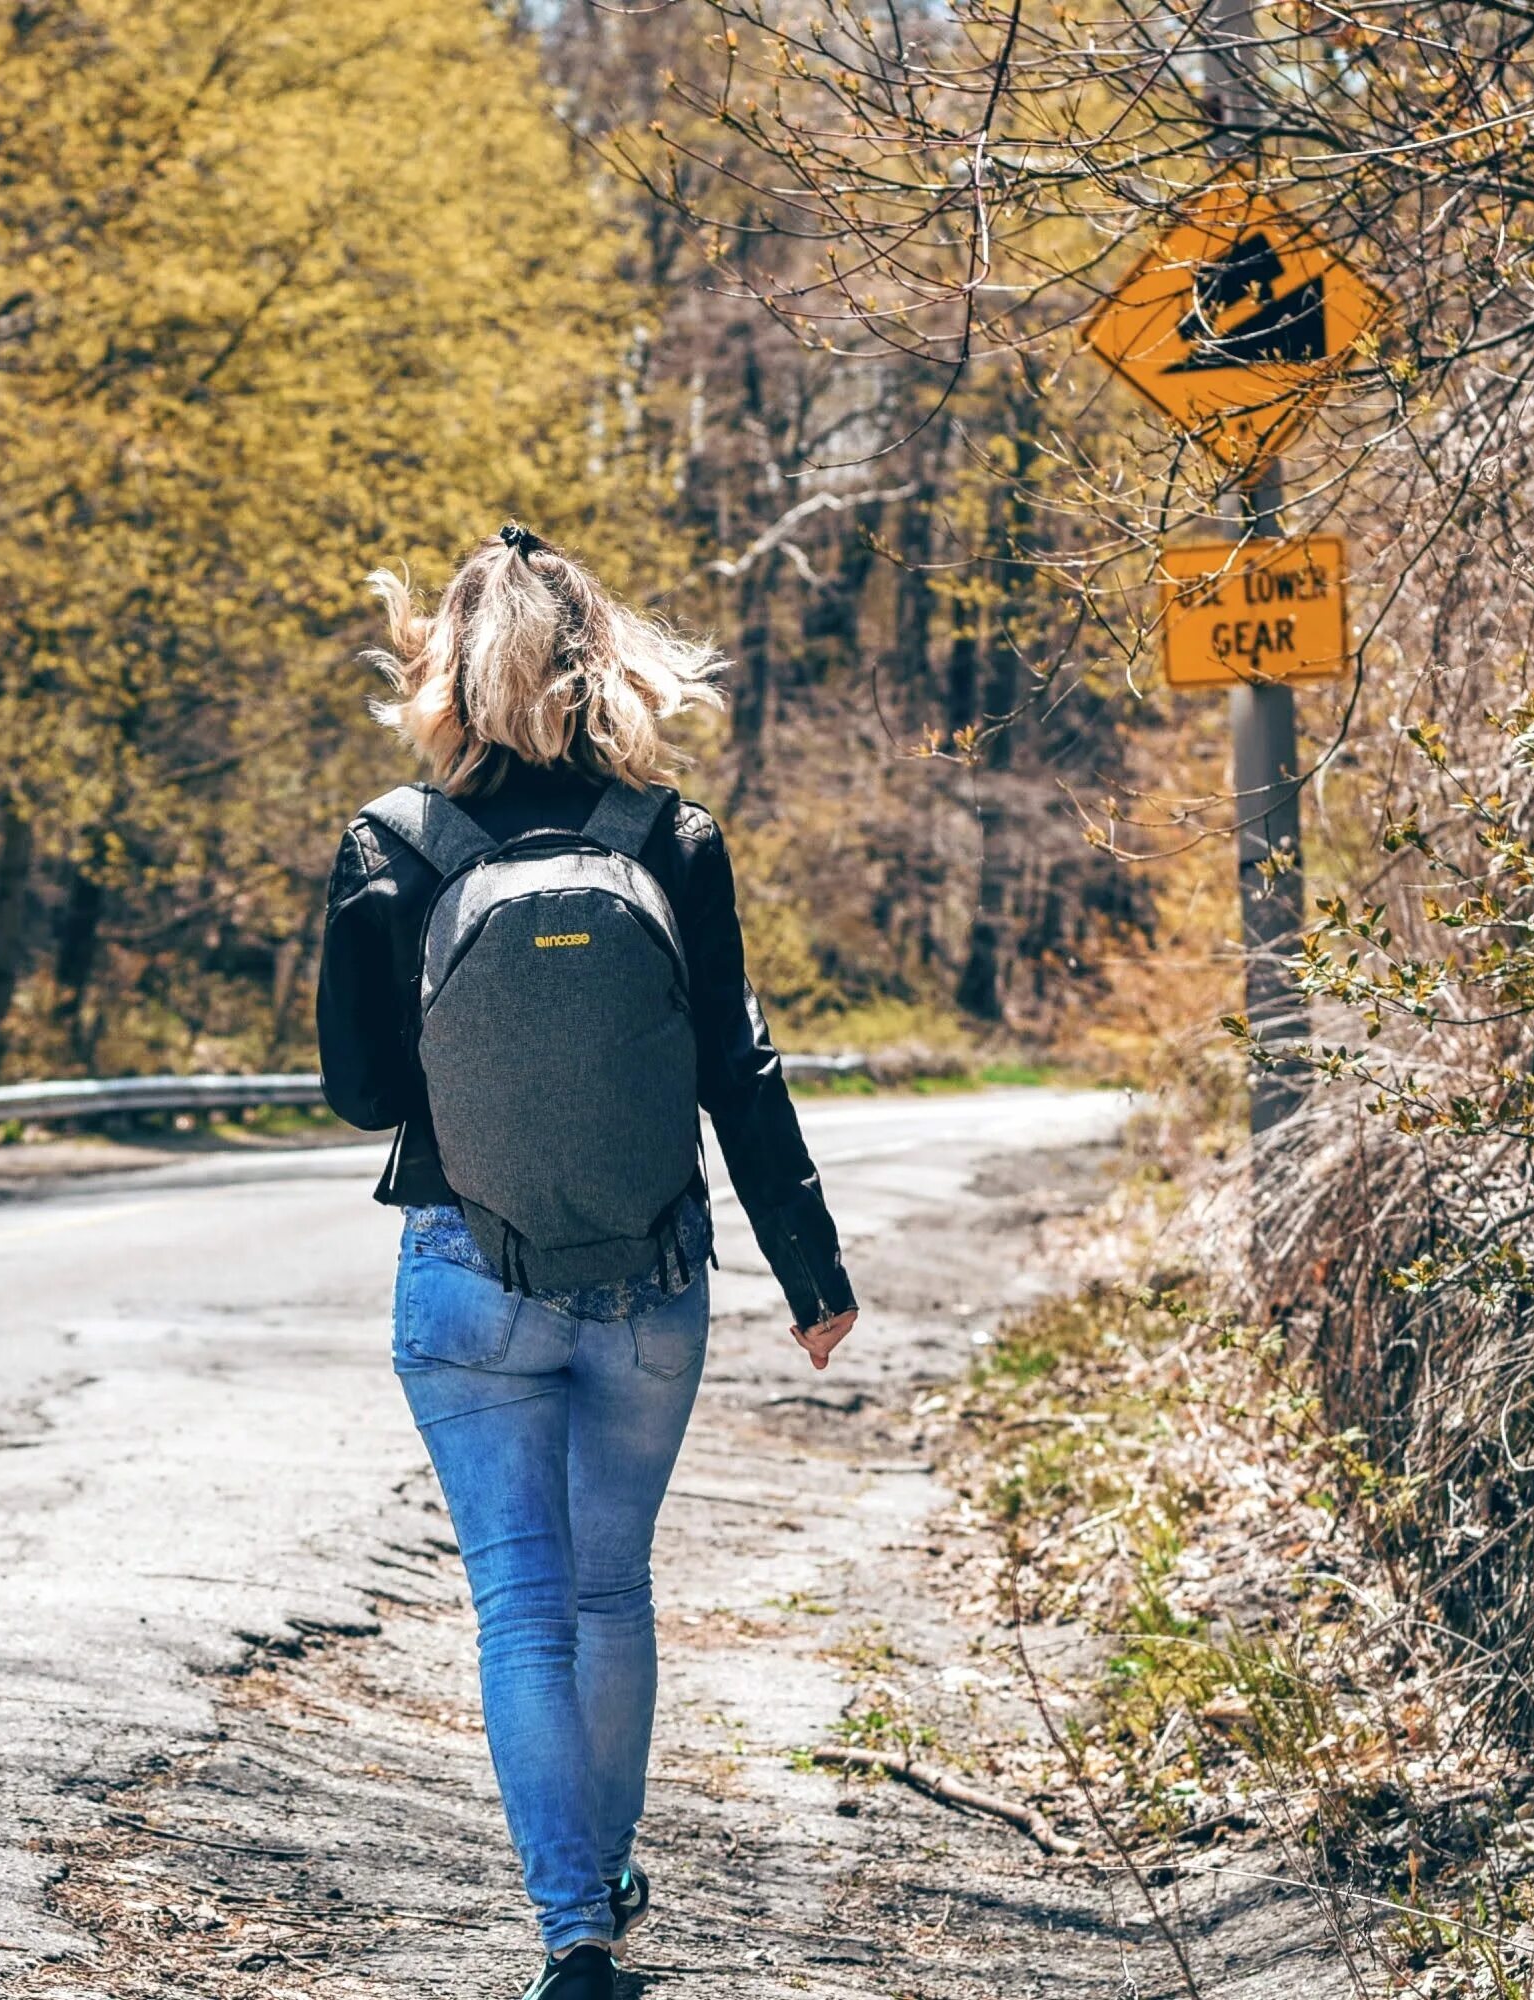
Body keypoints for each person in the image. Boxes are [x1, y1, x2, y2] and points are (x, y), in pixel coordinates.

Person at [317, 524, 860, 2000]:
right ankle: (609, 1884)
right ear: (604, 664)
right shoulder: (671, 839)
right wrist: (812, 1271)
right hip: (649, 1276)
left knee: (518, 1603)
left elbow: (361, 1094)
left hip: (462, 1267)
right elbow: (736, 1073)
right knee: (610, 1592)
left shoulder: (390, 844)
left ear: (444, 670)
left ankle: (573, 1934)